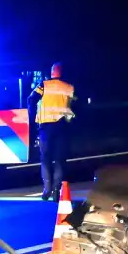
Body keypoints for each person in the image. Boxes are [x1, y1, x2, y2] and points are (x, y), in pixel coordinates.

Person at [28, 62, 76, 200]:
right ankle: (56, 191)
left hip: (45, 127)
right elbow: (76, 105)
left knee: (45, 158)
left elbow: (31, 99)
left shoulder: (44, 85)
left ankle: (47, 189)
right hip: (63, 128)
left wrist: (33, 117)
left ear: (52, 72)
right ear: (62, 72)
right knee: (60, 160)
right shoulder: (69, 87)